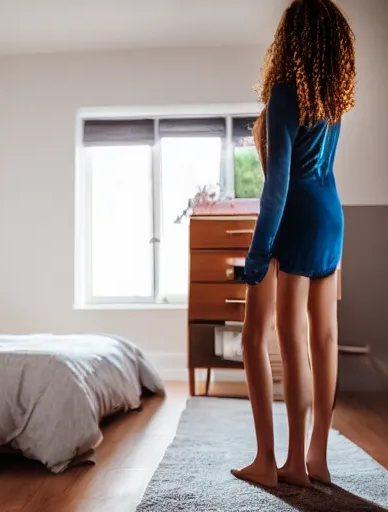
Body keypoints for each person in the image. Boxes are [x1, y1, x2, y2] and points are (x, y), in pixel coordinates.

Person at [231, 0, 356, 489]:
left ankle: (279, 463)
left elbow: (278, 184)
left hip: (295, 220)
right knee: (323, 339)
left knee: (264, 337)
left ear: (291, 39)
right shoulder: (332, 100)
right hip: (331, 218)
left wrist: (258, 254)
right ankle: (316, 458)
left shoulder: (285, 92)